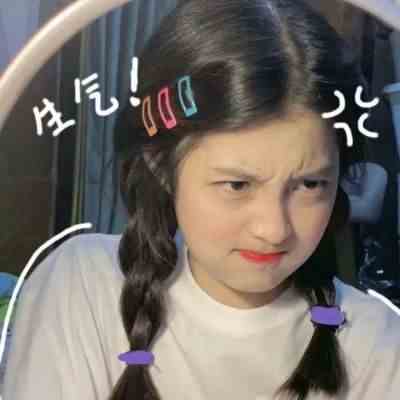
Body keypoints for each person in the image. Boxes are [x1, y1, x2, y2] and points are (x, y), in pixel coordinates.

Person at [3, 1, 400, 399]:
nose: (274, 229)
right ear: (161, 165)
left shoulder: (378, 344)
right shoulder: (82, 286)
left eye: (310, 184)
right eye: (237, 185)